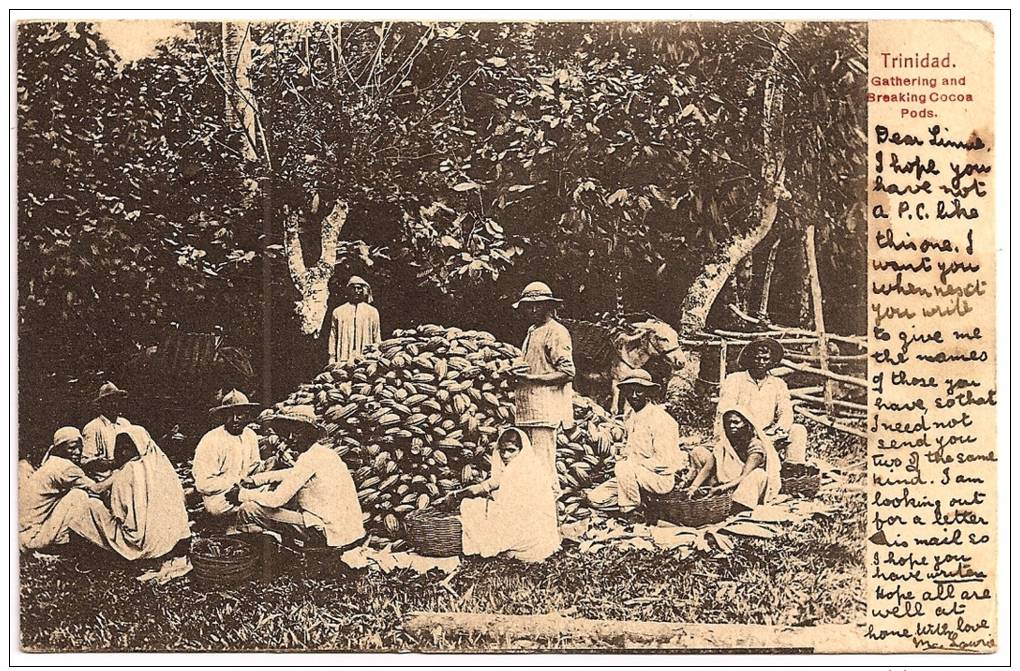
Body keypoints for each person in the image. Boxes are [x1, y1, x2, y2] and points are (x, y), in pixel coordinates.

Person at [229, 405, 365, 549]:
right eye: (289, 433)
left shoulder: (309, 458)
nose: (291, 438)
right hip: (349, 532)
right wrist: (256, 479)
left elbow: (277, 499)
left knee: (248, 509)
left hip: (330, 533)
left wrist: (241, 494)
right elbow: (293, 473)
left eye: (297, 433)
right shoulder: (324, 453)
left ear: (310, 434)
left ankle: (249, 551)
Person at [68, 426, 191, 561]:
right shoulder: (162, 466)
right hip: (173, 538)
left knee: (90, 505)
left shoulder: (129, 470)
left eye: (126, 448)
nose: (122, 453)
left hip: (142, 542)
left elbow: (119, 513)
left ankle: (86, 556)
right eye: (120, 449)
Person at [441, 427, 560, 563]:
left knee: (475, 510)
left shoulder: (526, 469)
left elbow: (517, 510)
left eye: (511, 450)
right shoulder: (513, 468)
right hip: (523, 522)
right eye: (502, 450)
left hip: (532, 528)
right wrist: (456, 494)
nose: (505, 455)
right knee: (475, 506)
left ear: (522, 450)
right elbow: (484, 487)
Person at [585, 369, 686, 516]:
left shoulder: (662, 420)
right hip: (633, 476)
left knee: (623, 468)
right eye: (629, 391)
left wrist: (632, 464)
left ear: (648, 393)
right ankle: (644, 503)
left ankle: (632, 511)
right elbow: (631, 448)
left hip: (658, 478)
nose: (633, 396)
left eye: (639, 391)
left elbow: (665, 462)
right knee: (594, 499)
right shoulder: (630, 416)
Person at [511, 281, 575, 493]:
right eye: (528, 306)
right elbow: (534, 364)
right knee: (529, 465)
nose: (531, 310)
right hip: (527, 408)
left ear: (548, 306)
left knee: (543, 465)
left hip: (544, 409)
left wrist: (532, 378)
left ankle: (550, 509)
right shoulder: (533, 330)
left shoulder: (556, 331)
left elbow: (567, 372)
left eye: (536, 305)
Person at [717, 338, 808, 464]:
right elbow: (725, 410)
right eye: (757, 358)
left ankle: (792, 469)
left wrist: (779, 429)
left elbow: (785, 411)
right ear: (750, 359)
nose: (761, 362)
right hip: (741, 434)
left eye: (765, 359)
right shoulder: (735, 380)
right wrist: (748, 433)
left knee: (798, 430)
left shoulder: (777, 384)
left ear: (772, 361)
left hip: (768, 433)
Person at [688, 406, 781, 512]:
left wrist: (723, 487)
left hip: (746, 485)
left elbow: (744, 475)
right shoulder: (724, 445)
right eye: (728, 423)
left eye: (736, 422)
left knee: (758, 474)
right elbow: (708, 468)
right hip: (728, 483)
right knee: (699, 452)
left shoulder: (756, 446)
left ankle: (739, 505)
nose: (731, 426)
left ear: (746, 424)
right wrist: (693, 487)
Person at [19, 428, 98, 551]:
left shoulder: (52, 462)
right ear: (59, 449)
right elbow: (97, 489)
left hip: (21, 530)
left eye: (80, 447)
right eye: (71, 448)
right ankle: (59, 541)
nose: (77, 452)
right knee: (78, 495)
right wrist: (117, 474)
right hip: (32, 535)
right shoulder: (66, 468)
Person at [192, 389, 263, 518]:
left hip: (246, 489)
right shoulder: (211, 440)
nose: (235, 419)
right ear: (223, 416)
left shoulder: (250, 435)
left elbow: (255, 467)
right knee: (218, 508)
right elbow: (203, 484)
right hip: (221, 497)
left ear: (247, 415)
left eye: (240, 414)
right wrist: (236, 483)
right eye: (230, 414)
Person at [328, 275, 381, 365]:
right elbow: (333, 336)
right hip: (344, 356)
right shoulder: (339, 311)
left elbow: (376, 334)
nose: (356, 291)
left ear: (363, 290)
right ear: (349, 290)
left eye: (359, 288)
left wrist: (377, 352)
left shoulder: (372, 311)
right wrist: (332, 357)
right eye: (353, 288)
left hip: (365, 357)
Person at [81, 381, 131, 467]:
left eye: (117, 401)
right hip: (106, 476)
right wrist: (113, 463)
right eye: (110, 401)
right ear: (101, 405)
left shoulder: (125, 423)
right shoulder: (93, 427)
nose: (114, 405)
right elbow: (87, 461)